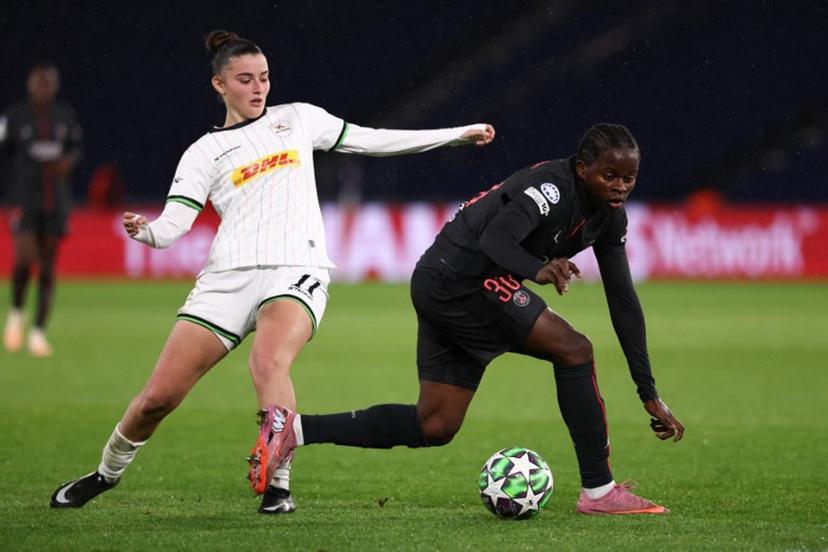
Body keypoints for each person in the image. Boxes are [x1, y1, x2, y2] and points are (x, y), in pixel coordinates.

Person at [49, 30, 495, 514]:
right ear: (220, 85)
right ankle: (104, 474)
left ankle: (279, 485)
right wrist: (147, 232)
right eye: (245, 79)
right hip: (227, 279)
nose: (259, 88)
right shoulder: (203, 153)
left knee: (268, 361)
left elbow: (372, 141)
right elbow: (173, 226)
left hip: (295, 268)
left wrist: (455, 134)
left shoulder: (298, 119)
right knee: (158, 397)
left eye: (264, 77)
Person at [255, 123, 685, 515]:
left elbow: (623, 300)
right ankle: (599, 491)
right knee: (574, 349)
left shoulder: (609, 218)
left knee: (436, 423)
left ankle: (293, 429)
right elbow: (496, 237)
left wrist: (647, 390)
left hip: (449, 281)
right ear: (580, 168)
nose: (619, 187)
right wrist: (537, 270)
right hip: (460, 279)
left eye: (628, 178)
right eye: (609, 176)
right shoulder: (550, 190)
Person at [2, 63, 83, 357]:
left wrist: (69, 161)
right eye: (38, 84)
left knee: (48, 270)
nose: (42, 89)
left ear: (54, 88)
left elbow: (76, 147)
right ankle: (16, 313)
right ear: (30, 87)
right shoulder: (15, 117)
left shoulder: (64, 117)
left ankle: (37, 333)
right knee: (25, 259)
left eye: (47, 84)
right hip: (25, 201)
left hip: (56, 202)